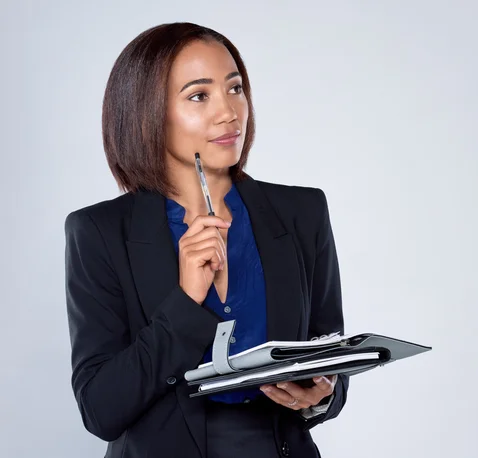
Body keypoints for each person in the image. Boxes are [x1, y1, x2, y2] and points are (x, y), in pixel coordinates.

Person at [64, 22, 348, 458]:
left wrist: (323, 395)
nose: (229, 112)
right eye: (200, 96)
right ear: (147, 111)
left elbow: (329, 354)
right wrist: (185, 300)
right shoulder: (99, 233)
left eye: (235, 89)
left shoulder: (302, 212)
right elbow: (101, 409)